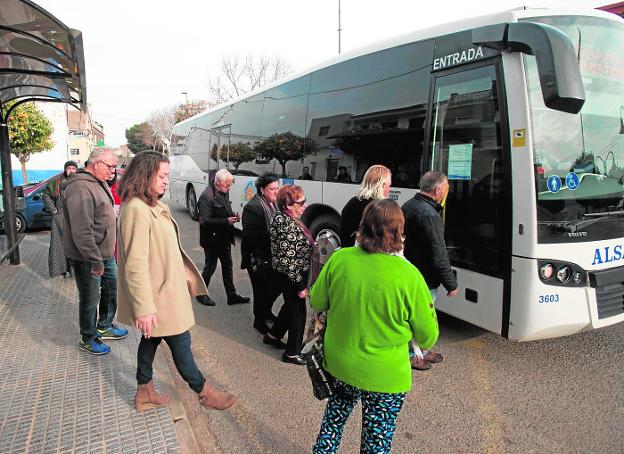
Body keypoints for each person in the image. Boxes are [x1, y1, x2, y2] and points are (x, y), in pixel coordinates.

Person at [311, 199, 439, 453]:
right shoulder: (410, 275)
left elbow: (317, 300)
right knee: (376, 440)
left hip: (341, 364)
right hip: (386, 376)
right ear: (398, 232)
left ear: (363, 226)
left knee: (333, 422)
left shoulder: (340, 259)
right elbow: (427, 336)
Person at [116, 151, 236, 412]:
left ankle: (143, 391)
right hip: (158, 298)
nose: (166, 181)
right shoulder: (137, 210)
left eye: (167, 176)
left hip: (166, 292)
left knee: (151, 341)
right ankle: (206, 393)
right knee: (181, 344)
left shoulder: (152, 205)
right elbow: (135, 265)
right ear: (144, 175)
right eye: (161, 176)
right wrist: (144, 308)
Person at [63, 150, 128, 355]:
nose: (113, 170)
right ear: (96, 163)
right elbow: (82, 230)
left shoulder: (97, 181)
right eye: (109, 166)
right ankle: (88, 337)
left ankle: (104, 325)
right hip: (89, 257)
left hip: (105, 253)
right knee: (90, 298)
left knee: (111, 288)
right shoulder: (80, 188)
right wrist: (95, 260)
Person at [402, 171, 458, 370]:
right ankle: (412, 355)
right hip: (424, 277)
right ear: (438, 190)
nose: (447, 191)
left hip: (410, 273)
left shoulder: (409, 205)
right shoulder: (430, 214)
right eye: (446, 188)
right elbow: (438, 252)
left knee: (415, 316)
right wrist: (450, 283)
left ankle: (422, 351)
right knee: (420, 318)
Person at [263, 185, 318, 365]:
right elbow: (288, 260)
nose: (304, 205)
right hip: (291, 275)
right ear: (288, 203)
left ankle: (273, 336)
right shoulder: (284, 222)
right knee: (298, 313)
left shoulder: (289, 217)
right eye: (300, 202)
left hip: (291, 272)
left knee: (290, 307)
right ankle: (292, 353)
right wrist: (300, 286)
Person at [196, 169, 249, 306]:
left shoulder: (223, 191)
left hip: (224, 238)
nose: (229, 187)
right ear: (218, 182)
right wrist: (227, 221)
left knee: (228, 267)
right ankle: (200, 294)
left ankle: (231, 296)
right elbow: (205, 221)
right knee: (210, 268)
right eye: (227, 185)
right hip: (211, 240)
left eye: (230, 185)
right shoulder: (206, 197)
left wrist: (233, 216)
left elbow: (225, 209)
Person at [240, 173, 282, 335]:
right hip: (256, 258)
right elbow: (250, 235)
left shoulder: (274, 203)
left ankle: (266, 312)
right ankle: (259, 321)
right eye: (272, 189)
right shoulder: (253, 207)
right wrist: (275, 234)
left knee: (274, 287)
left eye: (277, 188)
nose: (276, 192)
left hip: (270, 256)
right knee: (260, 290)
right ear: (262, 189)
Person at [339, 164, 391, 247]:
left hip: (350, 255)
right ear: (382, 185)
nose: (389, 189)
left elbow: (344, 236)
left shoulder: (352, 202)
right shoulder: (381, 208)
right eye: (389, 185)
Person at [43, 160, 77, 278]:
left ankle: (74, 272)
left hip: (76, 217)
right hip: (59, 217)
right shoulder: (56, 182)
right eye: (69, 168)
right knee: (59, 245)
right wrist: (53, 210)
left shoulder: (79, 182)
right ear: (65, 169)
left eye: (73, 168)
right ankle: (61, 270)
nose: (71, 170)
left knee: (74, 244)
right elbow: (46, 195)